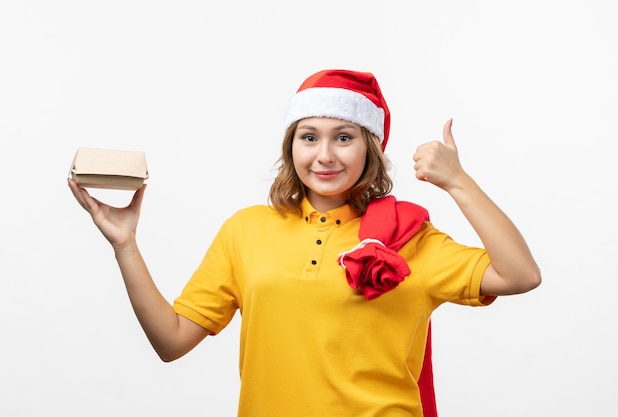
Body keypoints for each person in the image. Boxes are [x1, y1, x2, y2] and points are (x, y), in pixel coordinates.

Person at [68, 69, 541, 417]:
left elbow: (520, 275)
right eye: (309, 137)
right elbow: (171, 341)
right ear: (291, 147)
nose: (325, 155)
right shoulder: (247, 230)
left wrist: (458, 182)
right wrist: (125, 244)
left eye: (344, 137)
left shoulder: (409, 238)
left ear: (369, 149)